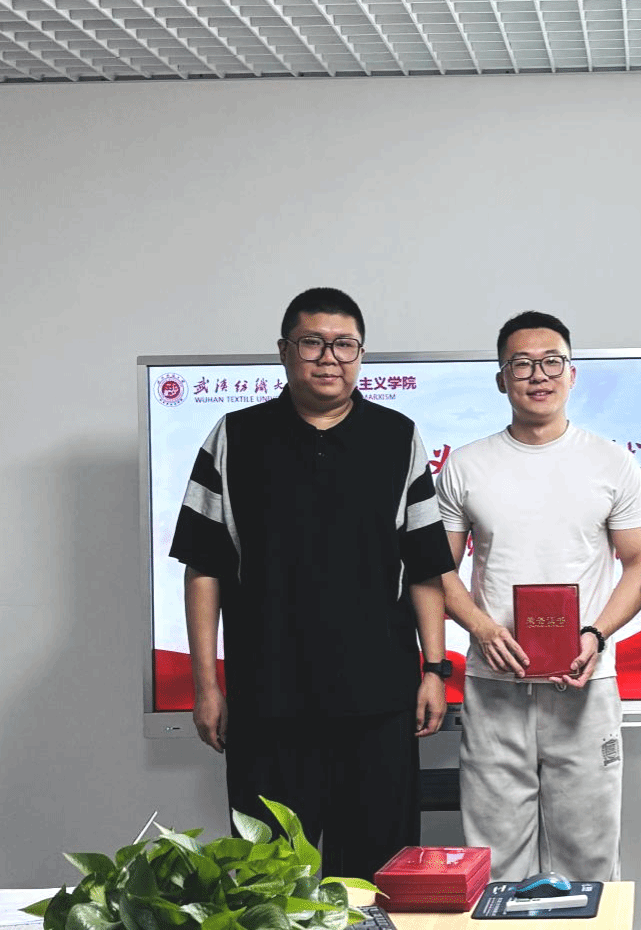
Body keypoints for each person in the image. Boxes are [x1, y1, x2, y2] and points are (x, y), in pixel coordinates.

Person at [169, 287, 454, 879]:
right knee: (269, 884)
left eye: (345, 344)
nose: (329, 357)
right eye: (312, 343)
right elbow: (204, 569)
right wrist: (206, 686)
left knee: (376, 882)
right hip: (268, 702)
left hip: (378, 704)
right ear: (284, 351)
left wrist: (434, 669)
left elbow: (426, 567)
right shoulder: (235, 437)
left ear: (361, 354)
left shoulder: (397, 437)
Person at [435, 310, 641, 882]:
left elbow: (639, 564)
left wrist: (596, 634)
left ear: (572, 374)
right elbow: (439, 570)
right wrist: (483, 629)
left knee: (588, 858)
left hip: (584, 683)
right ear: (500, 378)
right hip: (495, 685)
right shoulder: (466, 465)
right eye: (522, 364)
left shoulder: (612, 462)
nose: (539, 375)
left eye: (552, 361)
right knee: (494, 859)